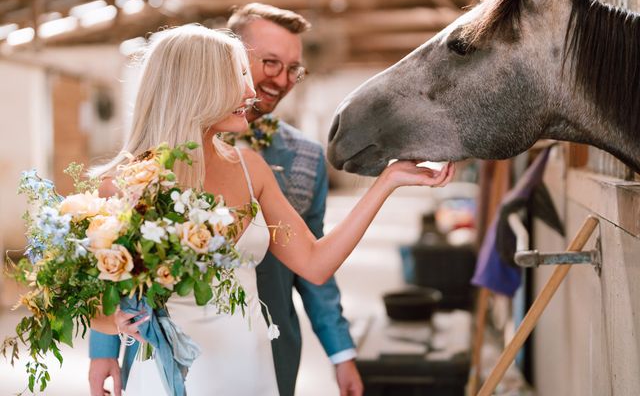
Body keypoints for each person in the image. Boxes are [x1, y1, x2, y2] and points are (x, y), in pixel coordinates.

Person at [88, 24, 455, 396]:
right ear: (195, 89)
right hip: (173, 373)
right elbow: (98, 296)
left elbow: (316, 262)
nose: (250, 92)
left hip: (251, 363)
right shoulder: (123, 185)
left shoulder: (251, 169)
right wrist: (109, 327)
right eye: (235, 78)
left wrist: (387, 181)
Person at [226, 3, 358, 396]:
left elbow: (313, 260)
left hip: (273, 346)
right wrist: (104, 348)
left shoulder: (305, 156)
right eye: (270, 63)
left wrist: (341, 352)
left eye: (292, 69)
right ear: (231, 53)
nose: (281, 80)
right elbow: (128, 255)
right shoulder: (175, 145)